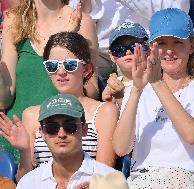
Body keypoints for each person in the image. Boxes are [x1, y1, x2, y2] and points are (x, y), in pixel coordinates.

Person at [112, 5, 194, 188]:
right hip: (143, 180)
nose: (169, 51)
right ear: (151, 49)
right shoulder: (138, 90)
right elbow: (121, 148)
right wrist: (135, 90)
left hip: (190, 180)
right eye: (162, 44)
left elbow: (192, 135)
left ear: (192, 46)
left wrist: (158, 83)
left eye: (177, 42)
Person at [0, 32, 118, 181]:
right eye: (52, 66)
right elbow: (25, 181)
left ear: (86, 69)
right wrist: (24, 151)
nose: (61, 72)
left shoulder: (104, 112)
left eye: (69, 65)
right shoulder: (32, 116)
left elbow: (104, 174)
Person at [0, 0, 99, 162]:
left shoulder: (82, 21)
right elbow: (3, 99)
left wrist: (67, 44)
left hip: (57, 137)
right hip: (14, 138)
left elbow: (92, 90)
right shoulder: (14, 21)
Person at [7, 94, 114, 189]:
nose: (61, 134)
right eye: (52, 127)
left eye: (70, 126)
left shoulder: (109, 181)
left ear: (84, 129)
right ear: (42, 133)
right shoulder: (29, 183)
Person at [69, 0, 191, 81]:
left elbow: (175, 17)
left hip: (145, 48)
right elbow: (81, 18)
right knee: (77, 74)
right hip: (99, 49)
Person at [102, 22, 149, 109]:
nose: (127, 52)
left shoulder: (155, 81)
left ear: (147, 49)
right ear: (111, 55)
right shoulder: (112, 87)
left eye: (134, 47)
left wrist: (120, 97)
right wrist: (108, 102)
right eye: (120, 49)